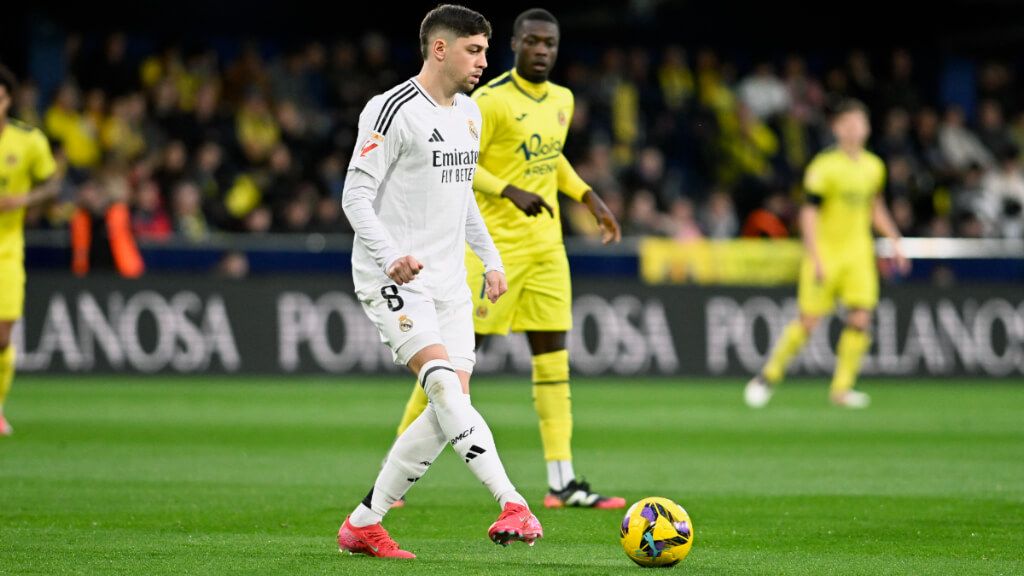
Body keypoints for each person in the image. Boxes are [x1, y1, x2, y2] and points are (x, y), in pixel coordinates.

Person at [392, 8, 625, 509]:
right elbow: (461, 162)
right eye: (533, 41)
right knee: (446, 366)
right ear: (515, 43)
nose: (542, 50)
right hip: (493, 254)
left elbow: (551, 156)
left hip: (547, 252)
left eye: (551, 44)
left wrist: (589, 197)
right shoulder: (490, 101)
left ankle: (562, 482)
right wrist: (508, 190)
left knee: (553, 362)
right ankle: (398, 463)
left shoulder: (562, 99)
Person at [336, 5, 542, 560]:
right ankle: (512, 502)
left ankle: (364, 522)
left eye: (484, 50)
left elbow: (462, 197)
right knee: (445, 389)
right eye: (473, 50)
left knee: (446, 407)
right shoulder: (391, 110)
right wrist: (391, 255)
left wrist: (491, 259)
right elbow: (354, 196)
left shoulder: (470, 115)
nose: (483, 61)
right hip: (393, 277)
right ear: (440, 49)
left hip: (452, 283)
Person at [746, 99, 910, 409]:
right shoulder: (824, 167)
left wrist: (895, 240)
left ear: (867, 128)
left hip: (859, 255)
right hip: (827, 253)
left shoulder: (874, 166)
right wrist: (816, 256)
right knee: (808, 322)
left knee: (861, 317)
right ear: (836, 128)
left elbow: (875, 208)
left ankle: (842, 388)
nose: (853, 129)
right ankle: (768, 375)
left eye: (858, 123)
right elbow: (808, 215)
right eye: (846, 124)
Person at [0, 64, 60, 436]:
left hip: (6, 249)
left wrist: (25, 198)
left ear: (8, 99)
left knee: (3, 336)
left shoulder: (28, 140)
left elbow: (53, 184)